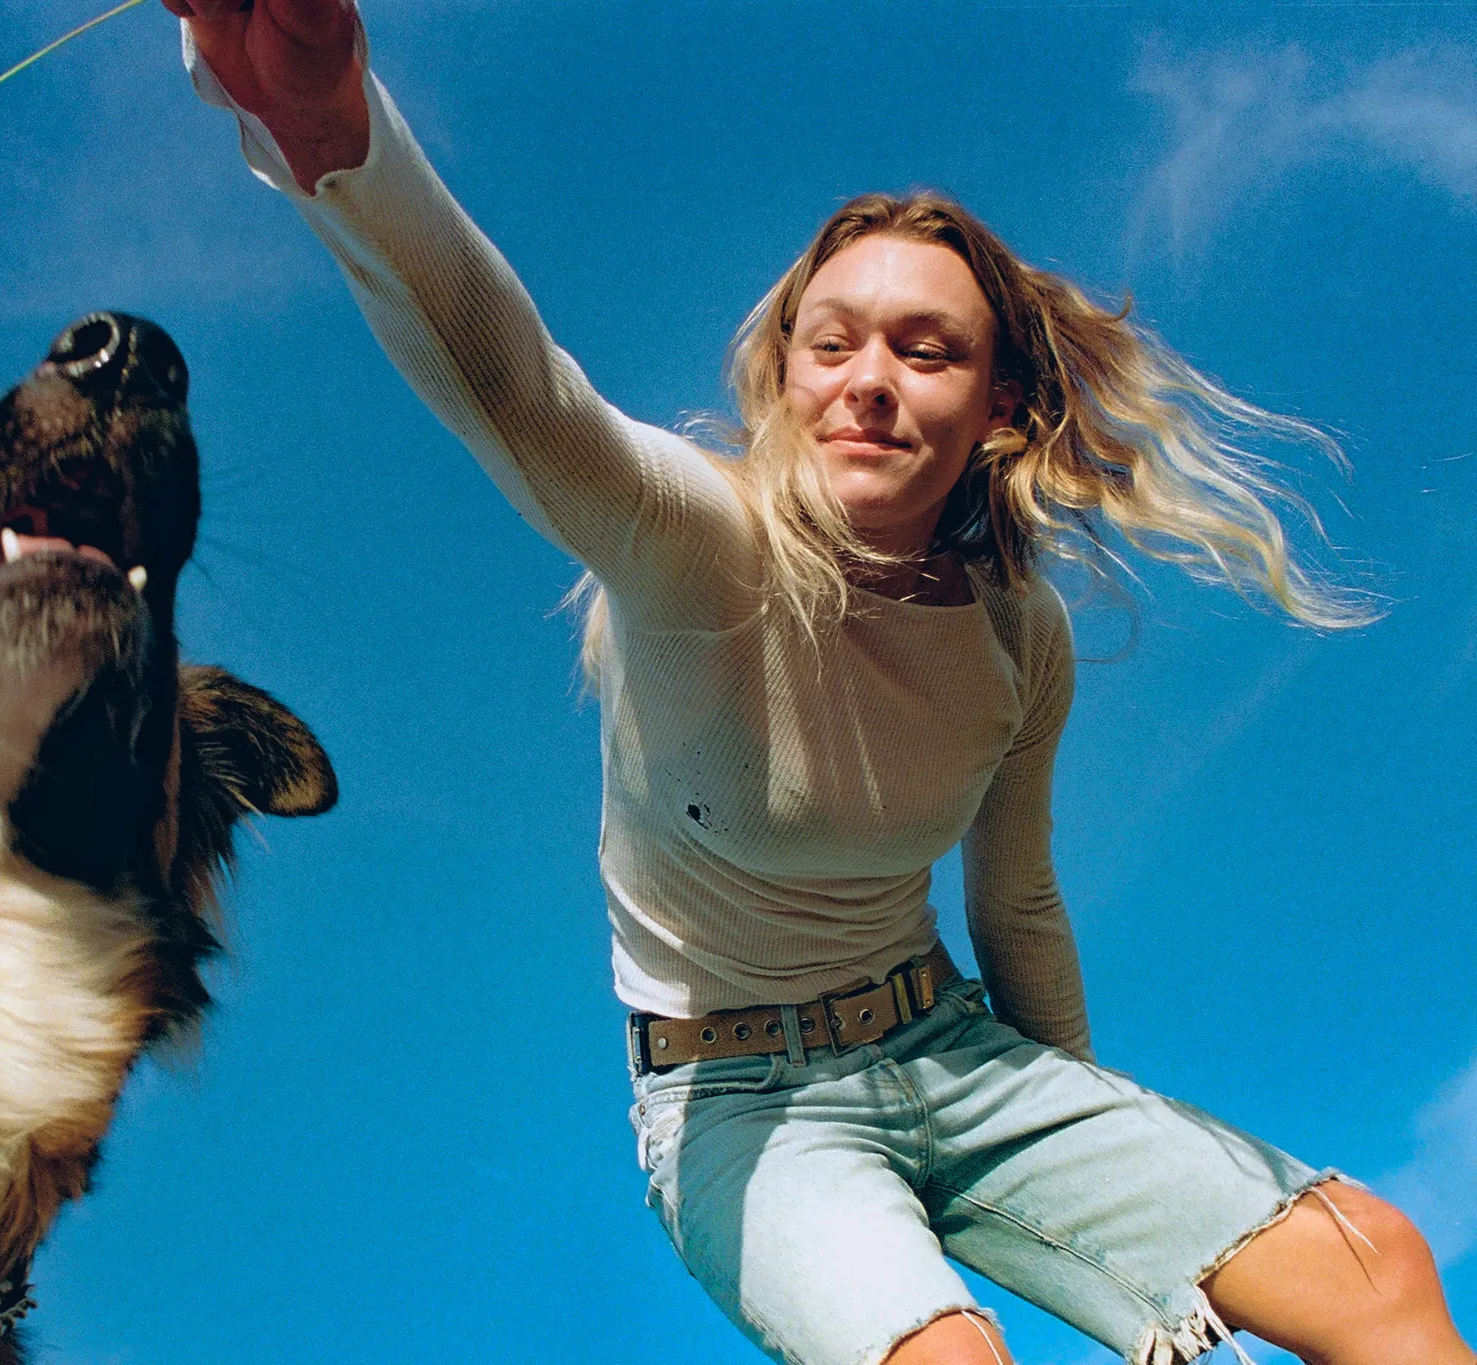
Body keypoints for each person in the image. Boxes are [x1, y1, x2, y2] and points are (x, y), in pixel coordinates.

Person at [163, 3, 1476, 1361]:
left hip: (958, 1053)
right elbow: (516, 387)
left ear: (1000, 410)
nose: (869, 383)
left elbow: (1015, 901)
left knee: (1374, 1261)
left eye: (926, 349)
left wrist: (1091, 1157)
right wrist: (335, 131)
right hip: (743, 1111)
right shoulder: (694, 543)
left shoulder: (1020, 637)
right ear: (785, 375)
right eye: (832, 342)